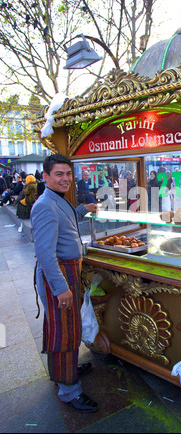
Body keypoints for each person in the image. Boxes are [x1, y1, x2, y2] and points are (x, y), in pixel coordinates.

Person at [31, 154, 99, 413]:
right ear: (45, 176)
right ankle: (69, 390)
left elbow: (66, 222)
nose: (66, 179)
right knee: (65, 332)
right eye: (59, 174)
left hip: (68, 271)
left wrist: (83, 210)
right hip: (59, 275)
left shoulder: (57, 200)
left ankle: (64, 370)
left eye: (68, 174)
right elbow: (46, 253)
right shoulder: (44, 205)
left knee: (64, 328)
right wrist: (61, 289)